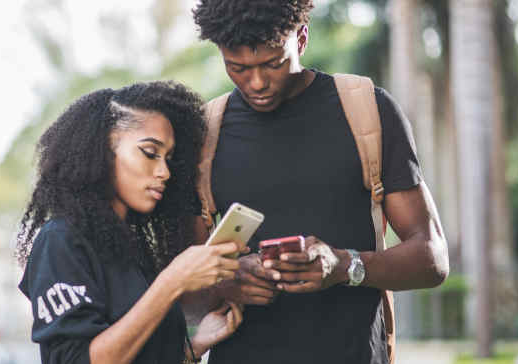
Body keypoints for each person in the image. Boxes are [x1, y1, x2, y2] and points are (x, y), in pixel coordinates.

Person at [186, 1, 451, 363]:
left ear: (302, 38)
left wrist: (345, 266)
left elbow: (432, 258)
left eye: (273, 63)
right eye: (238, 68)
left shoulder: (368, 110)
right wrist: (229, 280)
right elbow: (181, 284)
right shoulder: (205, 136)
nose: (257, 82)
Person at [15, 81, 245, 364]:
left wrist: (194, 346)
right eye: (150, 153)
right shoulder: (61, 240)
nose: (164, 172)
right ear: (101, 151)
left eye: (169, 159)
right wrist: (171, 283)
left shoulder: (131, 247)